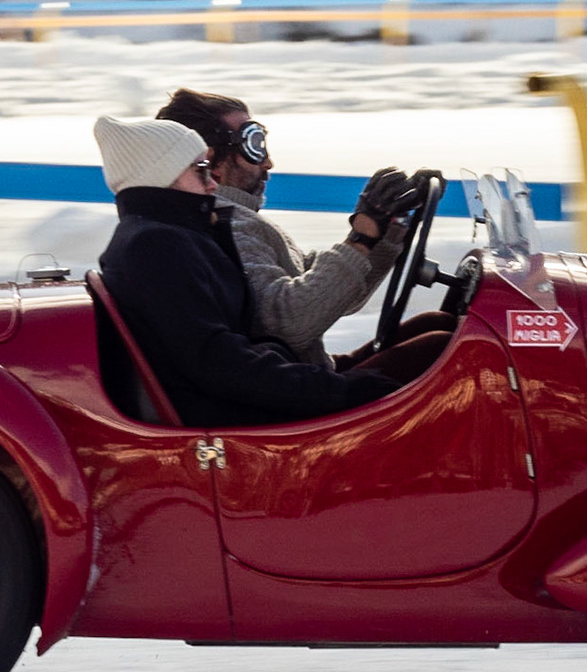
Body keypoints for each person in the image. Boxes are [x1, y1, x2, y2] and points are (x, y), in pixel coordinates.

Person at [92, 114, 402, 428]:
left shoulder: (175, 235)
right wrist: (343, 392)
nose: (212, 182)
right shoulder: (156, 245)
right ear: (162, 174)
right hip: (227, 422)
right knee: (407, 389)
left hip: (234, 401)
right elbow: (218, 364)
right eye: (200, 170)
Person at [156, 88, 455, 385]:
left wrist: (387, 229)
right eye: (254, 145)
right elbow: (291, 322)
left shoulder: (236, 219)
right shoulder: (229, 225)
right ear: (214, 161)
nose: (268, 163)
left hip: (303, 370)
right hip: (294, 388)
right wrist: (362, 237)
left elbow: (329, 297)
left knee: (441, 326)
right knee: (450, 349)